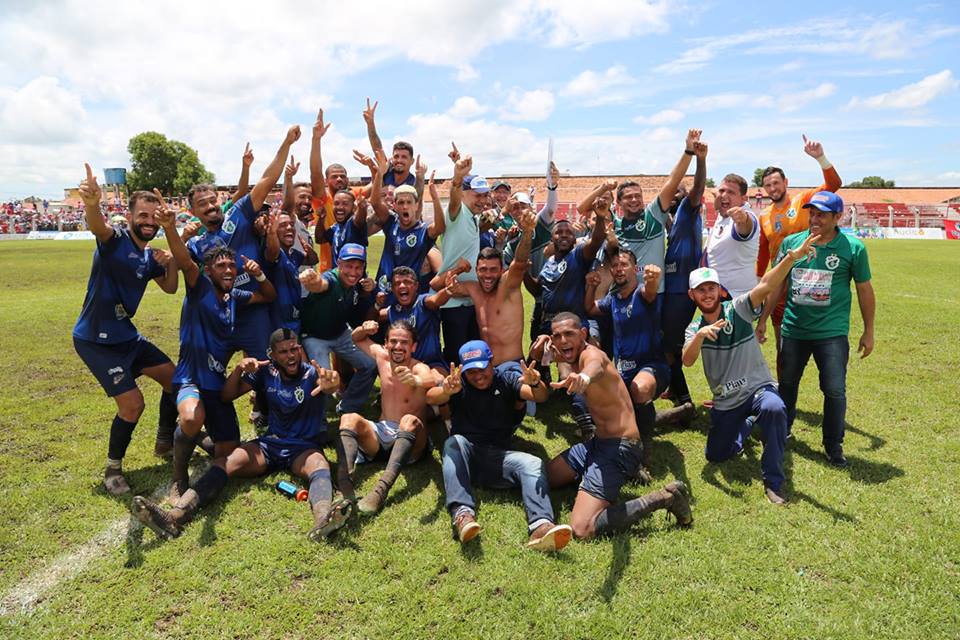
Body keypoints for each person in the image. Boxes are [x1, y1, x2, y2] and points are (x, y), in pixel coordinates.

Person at [132, 329, 348, 541]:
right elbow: (227, 395)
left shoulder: (312, 374)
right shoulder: (266, 372)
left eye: (294, 349)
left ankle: (323, 521)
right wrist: (237, 369)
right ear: (272, 355)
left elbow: (330, 383)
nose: (290, 356)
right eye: (283, 352)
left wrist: (333, 382)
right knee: (227, 461)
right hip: (270, 445)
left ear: (300, 349)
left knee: (320, 465)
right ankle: (175, 516)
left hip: (304, 448)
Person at [155, 192, 277, 500]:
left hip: (216, 384)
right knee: (192, 417)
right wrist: (172, 229)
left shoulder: (235, 298)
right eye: (220, 266)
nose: (226, 270)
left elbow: (268, 296)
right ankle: (179, 477)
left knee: (227, 450)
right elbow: (184, 261)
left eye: (230, 266)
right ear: (209, 271)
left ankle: (195, 438)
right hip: (191, 377)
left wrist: (258, 274)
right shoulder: (200, 288)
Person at [682, 230, 819, 504]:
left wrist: (792, 258)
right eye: (701, 290)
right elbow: (687, 359)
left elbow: (766, 286)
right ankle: (745, 425)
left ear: (720, 290)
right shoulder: (694, 328)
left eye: (711, 288)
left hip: (757, 388)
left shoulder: (738, 309)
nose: (707, 294)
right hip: (726, 401)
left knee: (774, 408)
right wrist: (699, 336)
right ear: (692, 295)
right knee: (717, 455)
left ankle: (774, 482)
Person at [72, 164, 179, 495]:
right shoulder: (114, 240)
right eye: (142, 215)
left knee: (174, 379)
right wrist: (92, 203)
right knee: (132, 406)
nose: (148, 221)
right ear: (130, 215)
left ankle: (164, 441)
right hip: (96, 341)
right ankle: (113, 470)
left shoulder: (148, 258)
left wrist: (170, 258)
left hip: (127, 337)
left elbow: (172, 288)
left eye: (153, 216)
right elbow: (98, 227)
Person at [544, 313, 693, 540]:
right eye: (557, 336)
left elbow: (596, 367)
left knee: (583, 529)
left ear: (583, 334)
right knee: (545, 478)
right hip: (597, 445)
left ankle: (665, 498)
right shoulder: (570, 354)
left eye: (569, 334)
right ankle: (597, 480)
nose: (563, 340)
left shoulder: (592, 356)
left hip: (621, 449)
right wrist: (541, 359)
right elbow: (553, 358)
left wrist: (583, 378)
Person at [428, 341, 573, 551]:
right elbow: (430, 396)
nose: (478, 376)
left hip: (499, 459)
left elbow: (539, 396)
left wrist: (535, 383)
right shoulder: (458, 384)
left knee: (533, 463)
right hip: (465, 459)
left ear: (491, 362)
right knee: (453, 443)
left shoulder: (505, 378)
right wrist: (446, 391)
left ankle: (541, 526)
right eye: (471, 372)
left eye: (482, 368)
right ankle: (462, 515)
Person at [772, 192, 875, 467]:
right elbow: (777, 284)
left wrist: (869, 330)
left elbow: (865, 290)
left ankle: (833, 445)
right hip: (793, 330)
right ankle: (782, 431)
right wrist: (763, 320)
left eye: (822, 215)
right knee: (787, 384)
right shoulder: (792, 244)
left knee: (834, 390)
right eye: (812, 213)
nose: (814, 219)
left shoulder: (853, 248)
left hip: (832, 334)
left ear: (837, 217)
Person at [184, 125, 301, 360]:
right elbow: (174, 265)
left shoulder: (238, 214)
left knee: (265, 368)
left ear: (219, 201)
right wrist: (179, 236)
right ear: (193, 211)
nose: (210, 206)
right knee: (212, 371)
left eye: (212, 201)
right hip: (221, 314)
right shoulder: (196, 244)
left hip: (255, 309)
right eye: (202, 204)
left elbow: (267, 180)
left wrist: (286, 142)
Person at [585, 253, 692, 467]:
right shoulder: (612, 300)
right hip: (623, 372)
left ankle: (643, 449)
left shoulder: (642, 295)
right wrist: (590, 286)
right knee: (615, 414)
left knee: (639, 389)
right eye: (614, 265)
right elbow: (590, 308)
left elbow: (650, 290)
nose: (618, 268)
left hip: (652, 367)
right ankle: (676, 413)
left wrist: (653, 279)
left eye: (624, 264)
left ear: (635, 269)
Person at [336, 321, 441, 515]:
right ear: (385, 343)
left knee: (408, 420)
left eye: (404, 342)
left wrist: (415, 380)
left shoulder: (418, 368)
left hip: (412, 443)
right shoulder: (382, 357)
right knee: (348, 418)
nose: (398, 347)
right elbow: (355, 338)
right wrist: (364, 329)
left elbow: (432, 379)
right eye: (393, 341)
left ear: (413, 346)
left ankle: (380, 491)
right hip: (382, 435)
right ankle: (344, 487)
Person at [755, 135, 842, 362]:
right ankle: (786, 390)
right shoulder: (764, 216)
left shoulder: (804, 201)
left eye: (776, 183)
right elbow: (764, 253)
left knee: (819, 338)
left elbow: (833, 185)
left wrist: (820, 157)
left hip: (809, 278)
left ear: (786, 182)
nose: (772, 188)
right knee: (782, 347)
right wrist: (758, 282)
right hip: (780, 284)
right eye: (767, 185)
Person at [439, 202, 536, 368]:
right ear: (476, 271)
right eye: (483, 270)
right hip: (485, 368)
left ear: (501, 271)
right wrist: (456, 273)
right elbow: (449, 286)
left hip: (511, 364)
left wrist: (527, 233)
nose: (488, 275)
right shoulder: (473, 288)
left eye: (493, 270)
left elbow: (519, 262)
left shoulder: (507, 286)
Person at [299, 243, 377, 414]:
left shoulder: (357, 282)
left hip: (341, 333)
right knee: (324, 379)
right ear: (339, 263)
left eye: (358, 267)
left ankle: (347, 406)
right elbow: (320, 284)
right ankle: (319, 422)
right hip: (315, 337)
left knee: (370, 365)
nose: (353, 272)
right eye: (348, 266)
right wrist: (312, 281)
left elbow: (361, 294)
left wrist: (371, 286)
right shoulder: (331, 279)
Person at [662, 139, 709, 407]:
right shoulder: (674, 219)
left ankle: (684, 398)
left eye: (677, 191)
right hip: (673, 289)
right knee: (670, 342)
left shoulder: (688, 210)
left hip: (681, 291)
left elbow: (698, 188)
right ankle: (673, 387)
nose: (673, 194)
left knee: (669, 346)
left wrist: (700, 159)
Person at [436, 146, 489, 362]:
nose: (483, 201)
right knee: (457, 356)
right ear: (465, 194)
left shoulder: (473, 217)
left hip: (469, 299)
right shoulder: (457, 212)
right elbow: (455, 195)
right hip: (453, 302)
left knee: (473, 353)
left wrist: (463, 171)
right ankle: (454, 395)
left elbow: (465, 189)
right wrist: (457, 178)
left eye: (485, 196)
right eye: (478, 196)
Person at [704, 173, 759, 298]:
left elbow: (745, 227)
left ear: (744, 199)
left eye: (731, 192)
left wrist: (743, 219)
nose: (724, 195)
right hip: (718, 295)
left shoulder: (745, 215)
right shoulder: (723, 213)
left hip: (736, 299)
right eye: (722, 191)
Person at [264, 211, 307, 333]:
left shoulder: (293, 254)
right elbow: (272, 252)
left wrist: (308, 250)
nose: (289, 227)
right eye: (282, 225)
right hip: (280, 328)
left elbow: (313, 259)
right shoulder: (275, 254)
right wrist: (271, 233)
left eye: (291, 224)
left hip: (296, 320)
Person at [362, 98, 418, 188]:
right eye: (396, 156)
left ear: (412, 161)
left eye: (404, 157)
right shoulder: (386, 169)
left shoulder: (413, 183)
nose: (399, 160)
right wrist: (370, 124)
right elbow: (377, 148)